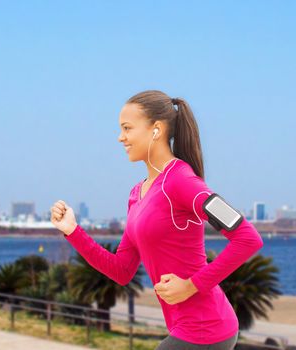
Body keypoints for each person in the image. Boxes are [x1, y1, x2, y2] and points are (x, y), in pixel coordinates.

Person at [50, 90, 264, 349]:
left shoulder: (183, 182)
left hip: (207, 328)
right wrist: (73, 231)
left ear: (156, 130)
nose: (121, 137)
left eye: (127, 128)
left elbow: (248, 238)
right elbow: (121, 271)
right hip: (184, 328)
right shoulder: (136, 195)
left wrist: (192, 286)